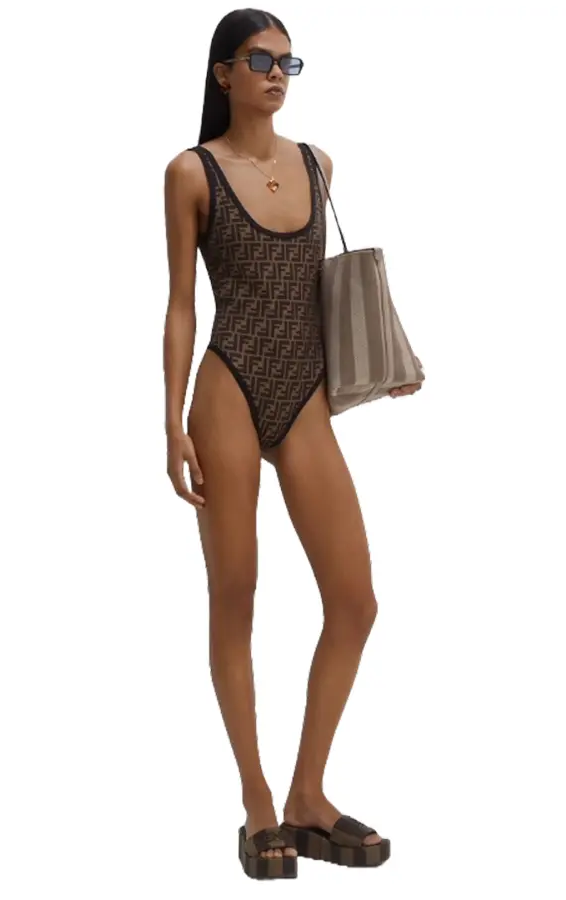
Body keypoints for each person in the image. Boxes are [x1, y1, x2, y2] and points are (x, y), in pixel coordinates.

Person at [163, 7, 420, 880]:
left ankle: (309, 794)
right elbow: (181, 305)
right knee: (236, 594)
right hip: (228, 386)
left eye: (288, 61)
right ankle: (258, 804)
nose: (277, 73)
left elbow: (328, 288)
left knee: (355, 600)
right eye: (260, 60)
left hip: (304, 394)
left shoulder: (319, 164)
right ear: (222, 74)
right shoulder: (191, 172)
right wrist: (170, 421)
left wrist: (387, 358)